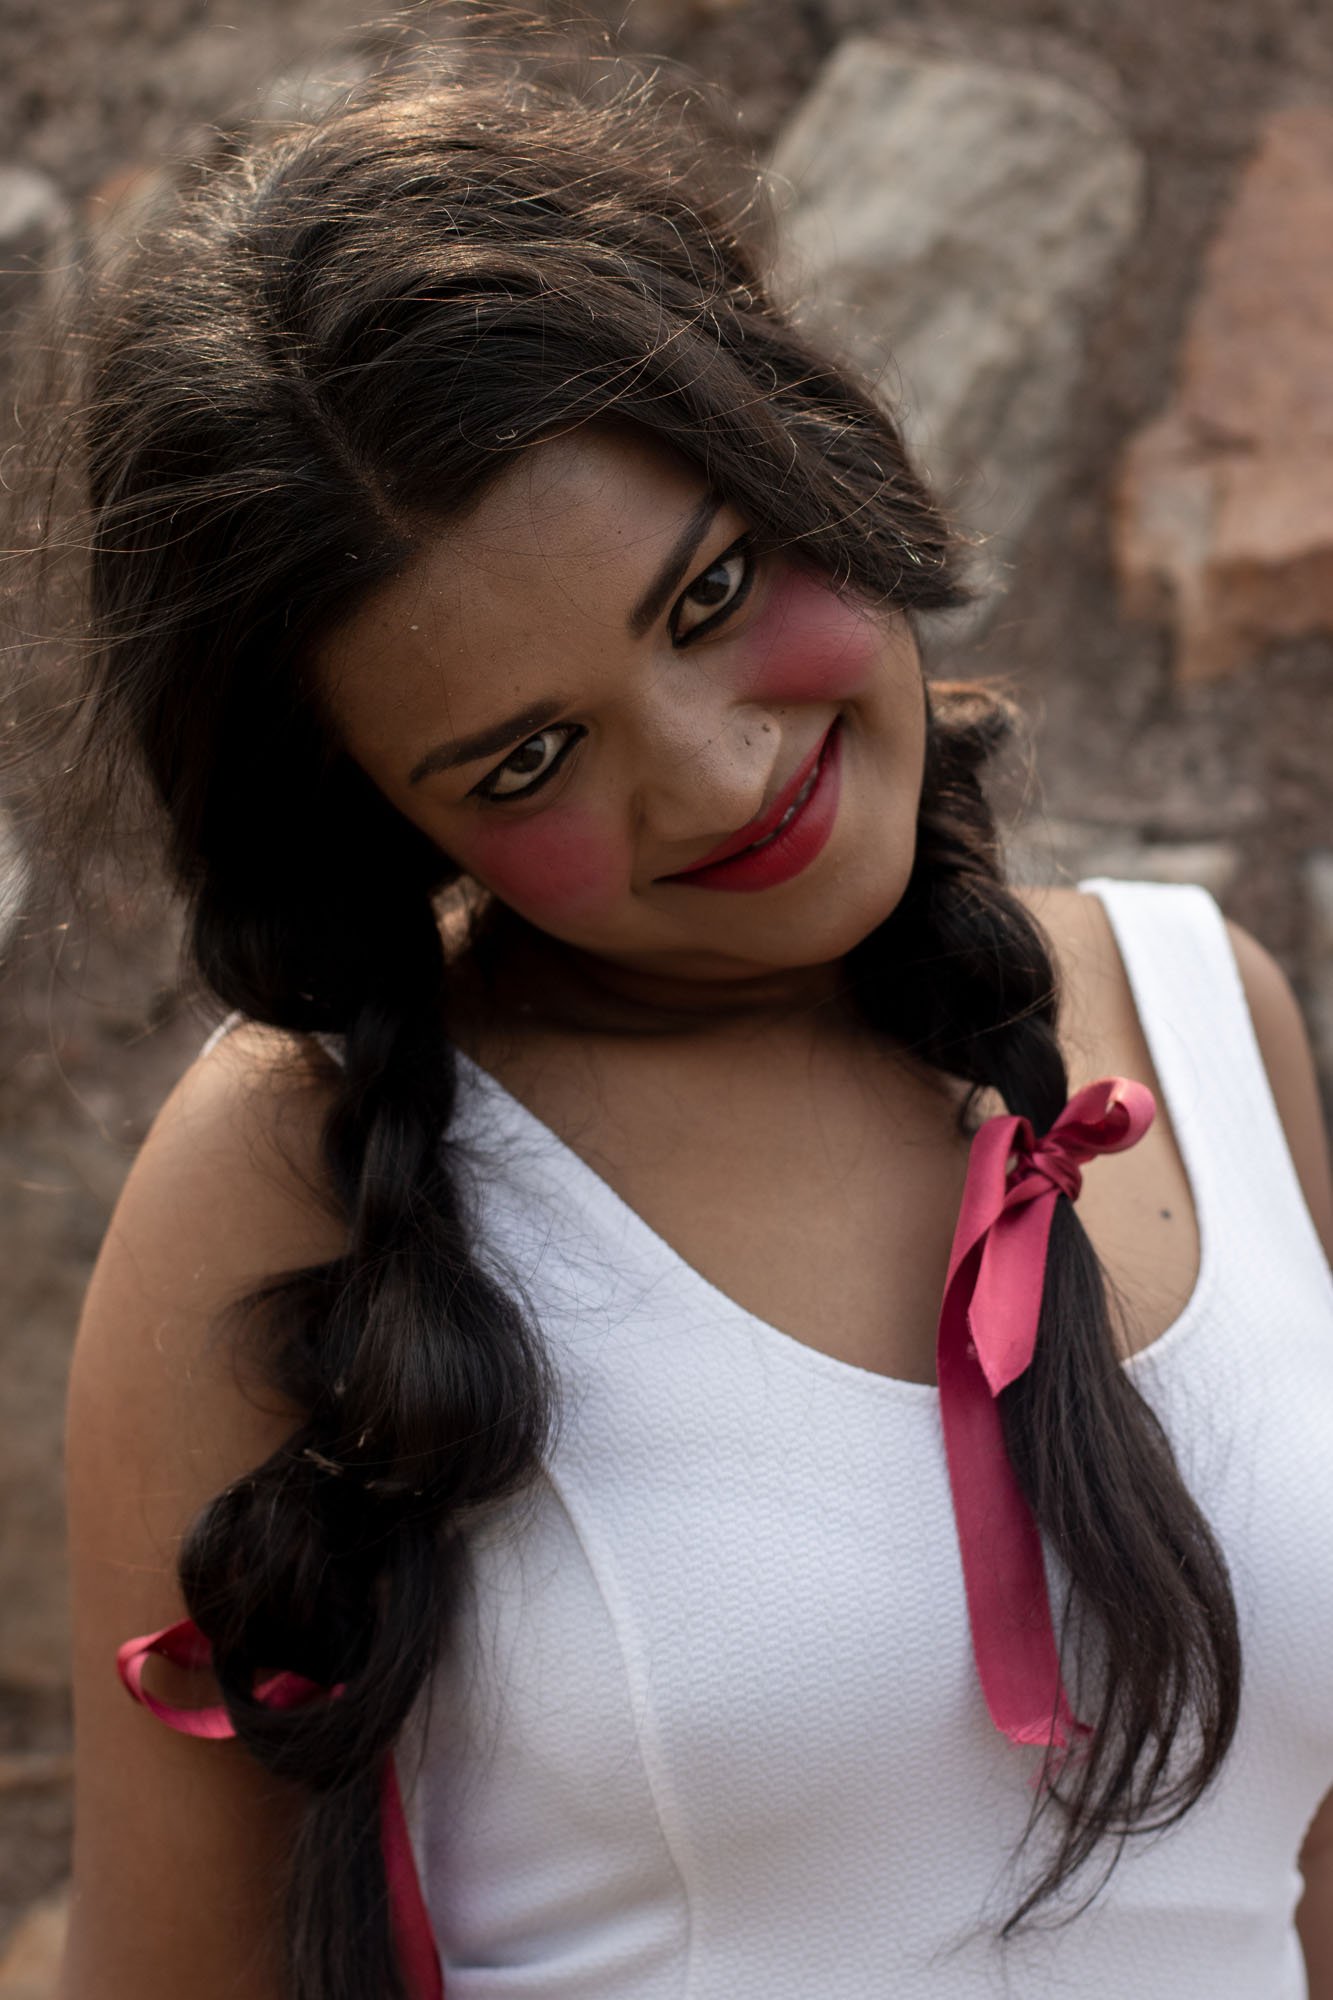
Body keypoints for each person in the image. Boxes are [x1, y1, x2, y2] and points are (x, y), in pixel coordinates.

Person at [18, 22, 1332, 1999]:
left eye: (708, 595)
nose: (718, 777)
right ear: (389, 825)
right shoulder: (296, 1172)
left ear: (801, 440)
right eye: (527, 758)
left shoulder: (1204, 1016)